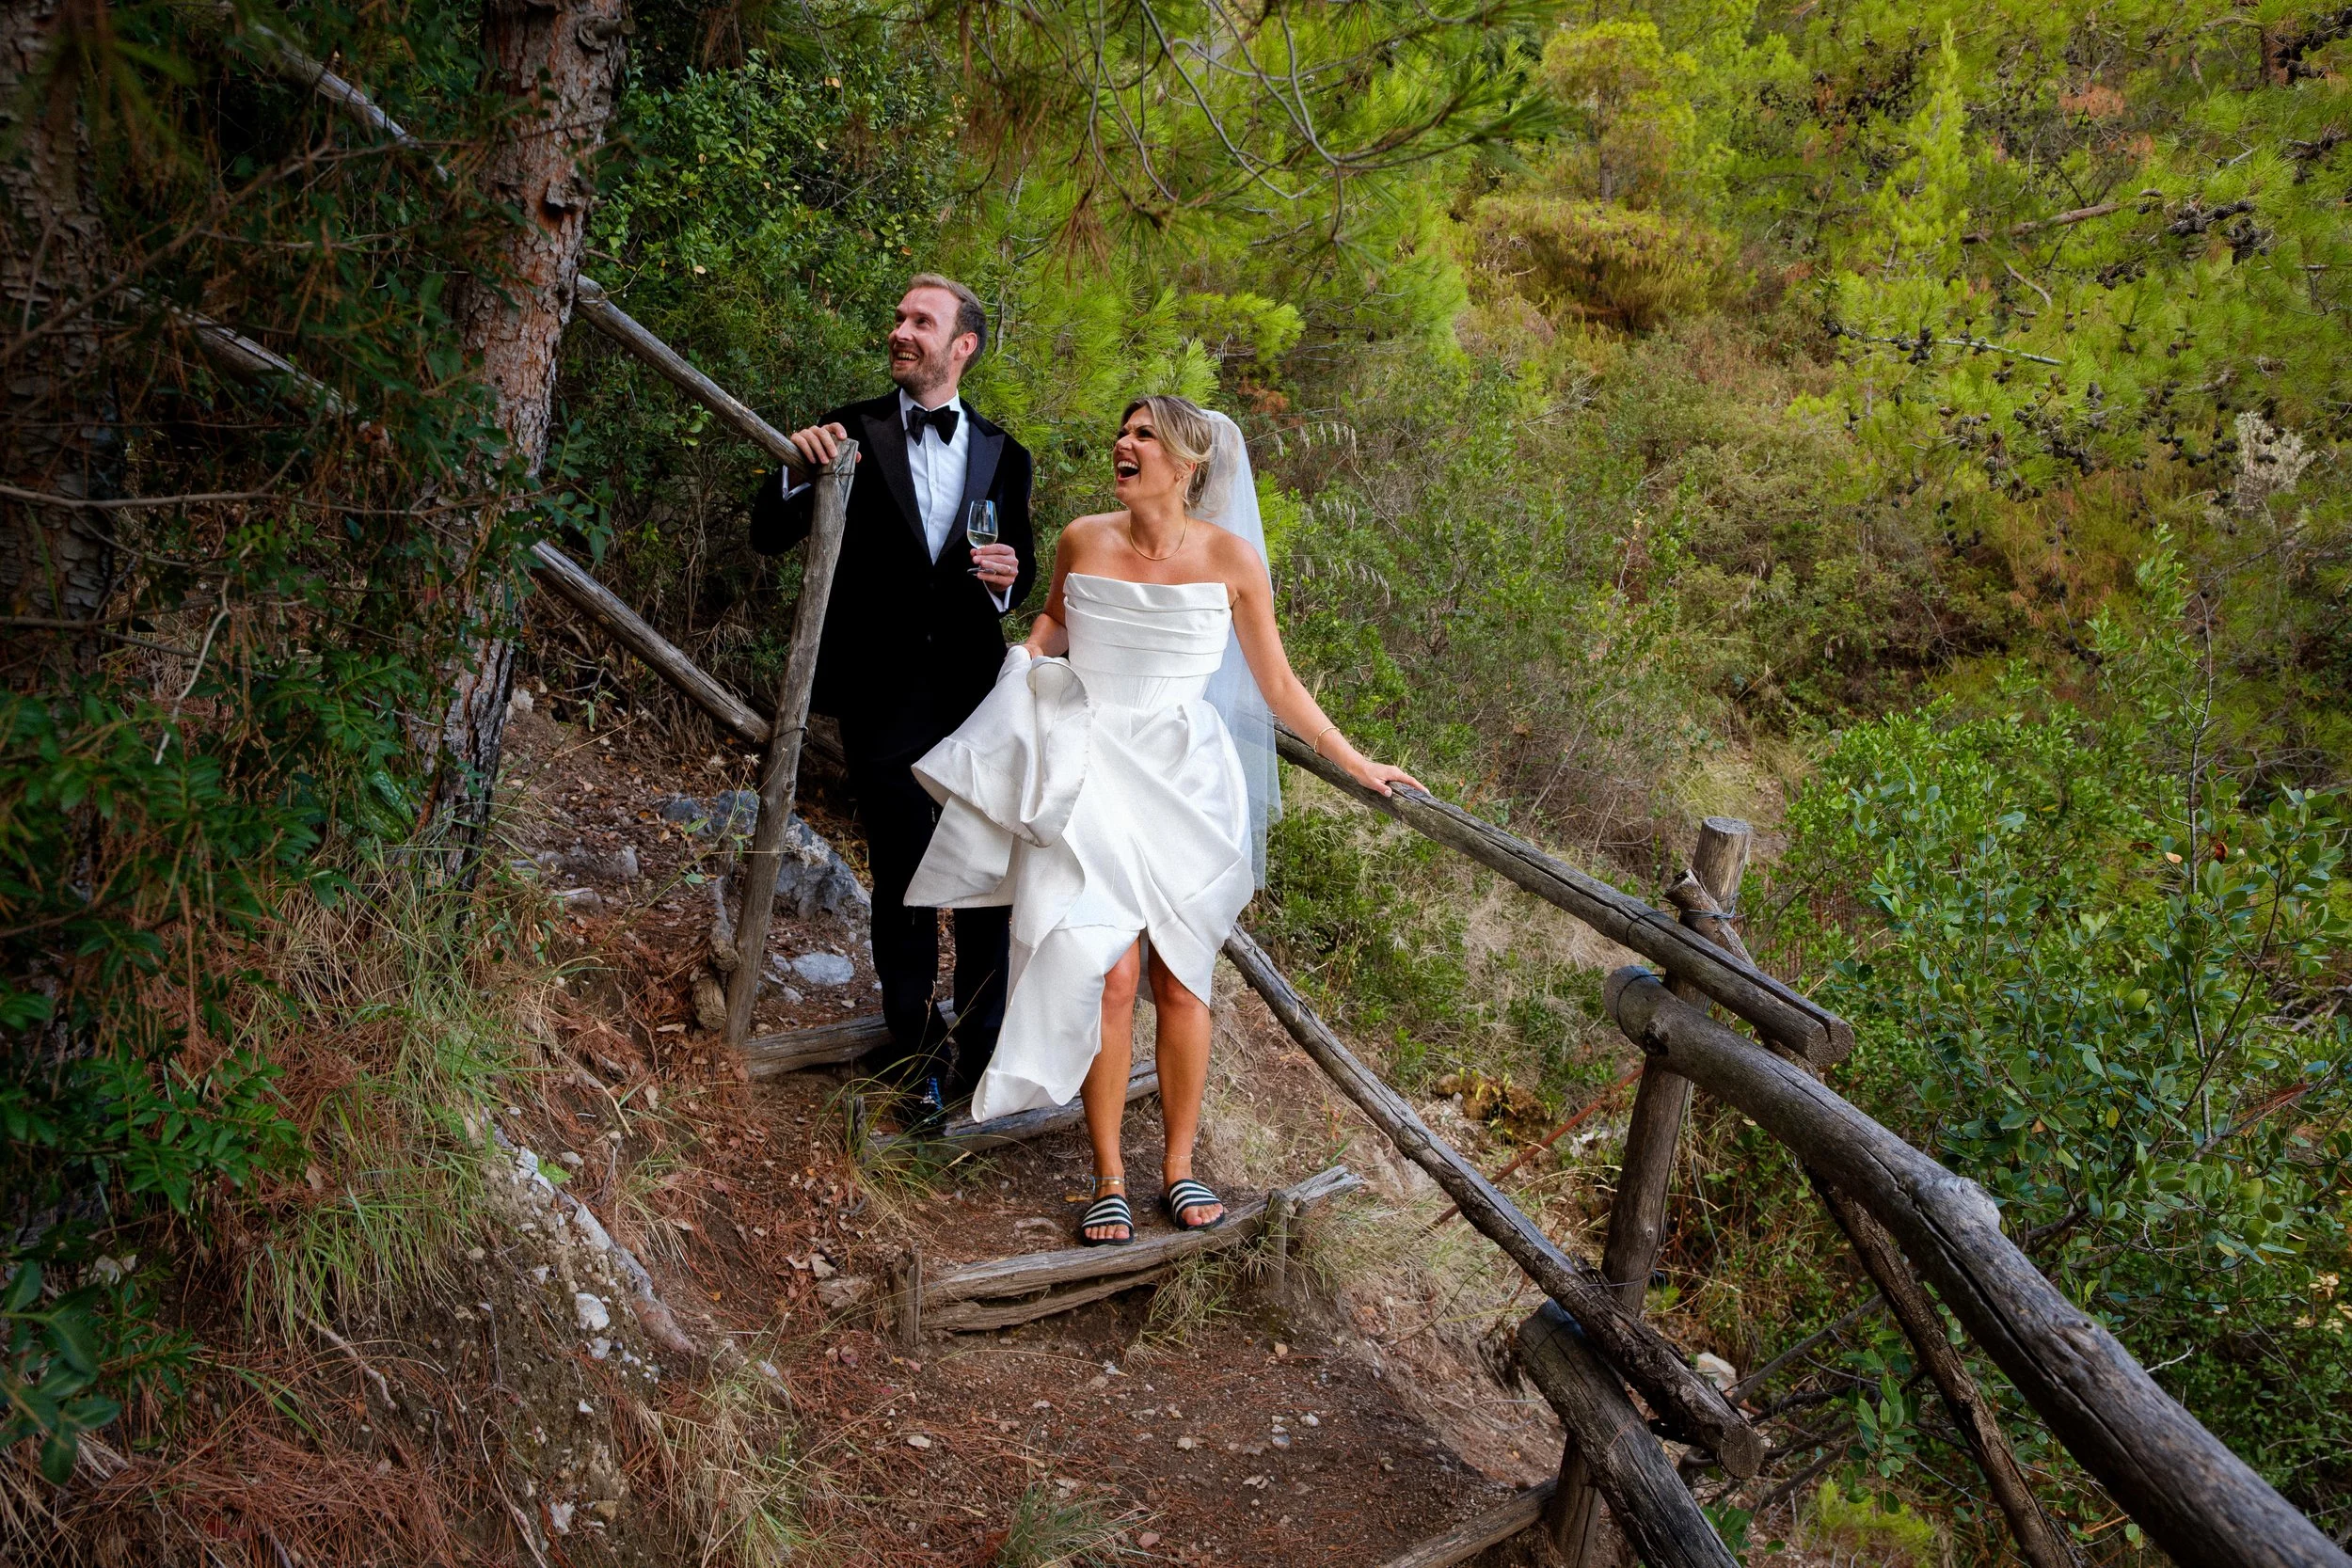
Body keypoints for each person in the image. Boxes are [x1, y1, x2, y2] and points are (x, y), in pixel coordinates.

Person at [903, 396, 1420, 1243]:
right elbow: (1058, 622)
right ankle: (1107, 1173)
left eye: (1146, 435)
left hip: (1185, 778)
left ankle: (1177, 1167)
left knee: (1180, 978)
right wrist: (1027, 660)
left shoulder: (1231, 559)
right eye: (1123, 430)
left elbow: (1277, 684)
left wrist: (1355, 759)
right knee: (1104, 966)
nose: (1124, 443)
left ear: (1188, 467)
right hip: (1092, 769)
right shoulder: (1081, 538)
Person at [749, 275, 1038, 1114]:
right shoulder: (849, 429)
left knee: (985, 876)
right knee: (906, 878)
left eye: (923, 321)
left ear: (963, 346)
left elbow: (1014, 572)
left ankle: (984, 1051)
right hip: (881, 696)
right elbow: (768, 534)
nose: (901, 331)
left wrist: (1006, 581)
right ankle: (916, 1056)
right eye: (901, 318)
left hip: (978, 699)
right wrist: (797, 472)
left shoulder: (1005, 454)